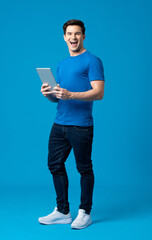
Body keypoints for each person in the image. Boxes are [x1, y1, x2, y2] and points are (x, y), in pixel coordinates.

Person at [38, 19, 105, 229]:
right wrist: (49, 95)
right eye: (69, 34)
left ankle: (85, 212)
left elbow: (99, 92)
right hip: (60, 123)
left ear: (83, 36)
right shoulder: (62, 63)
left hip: (81, 125)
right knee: (54, 165)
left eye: (77, 34)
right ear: (64, 37)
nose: (73, 38)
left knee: (84, 169)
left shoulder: (92, 61)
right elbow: (61, 97)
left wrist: (70, 94)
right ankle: (63, 211)